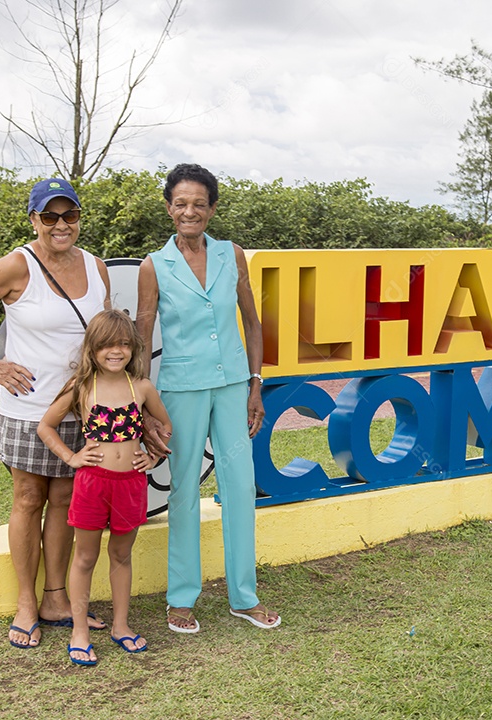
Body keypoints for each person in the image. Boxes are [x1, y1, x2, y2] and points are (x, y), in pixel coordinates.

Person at [0, 178, 162, 649]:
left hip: (85, 407)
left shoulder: (96, 267)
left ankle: (55, 597)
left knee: (65, 501)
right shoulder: (19, 265)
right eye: (50, 216)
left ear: (79, 218)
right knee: (27, 499)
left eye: (70, 215)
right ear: (34, 219)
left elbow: (102, 336)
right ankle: (25, 602)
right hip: (29, 407)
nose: (61, 225)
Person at [136, 163, 280, 633]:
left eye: (199, 203)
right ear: (168, 208)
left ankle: (244, 596)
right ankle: (182, 597)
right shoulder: (153, 266)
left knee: (240, 486)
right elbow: (141, 336)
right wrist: (141, 406)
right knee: (184, 492)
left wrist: (255, 383)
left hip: (234, 385)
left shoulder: (231, 255)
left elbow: (252, 323)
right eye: (181, 203)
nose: (190, 211)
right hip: (180, 390)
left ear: (212, 208)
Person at [37, 309, 172, 665]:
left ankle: (121, 626)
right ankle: (79, 630)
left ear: (133, 348)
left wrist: (153, 459)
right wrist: (71, 457)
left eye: (125, 344)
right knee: (84, 557)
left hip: (130, 484)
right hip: (92, 483)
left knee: (121, 556)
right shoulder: (82, 386)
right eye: (109, 345)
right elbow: (45, 426)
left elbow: (165, 425)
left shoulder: (140, 386)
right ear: (93, 348)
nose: (117, 351)